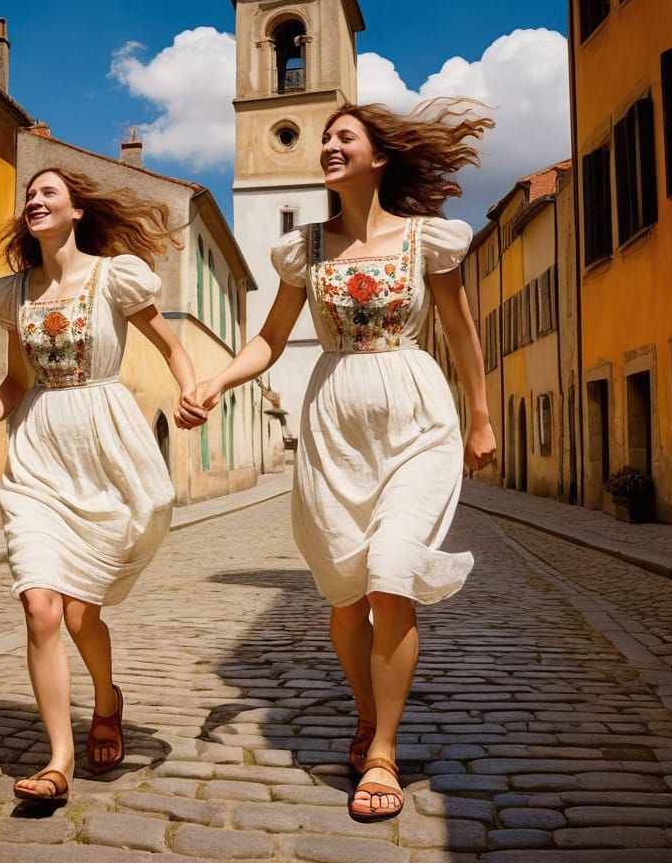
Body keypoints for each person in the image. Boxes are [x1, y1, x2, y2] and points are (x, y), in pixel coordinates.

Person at [190, 99, 496, 822]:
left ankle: (383, 750)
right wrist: (219, 379)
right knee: (346, 598)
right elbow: (268, 339)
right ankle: (367, 708)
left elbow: (459, 331)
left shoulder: (429, 241)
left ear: (378, 157)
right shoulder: (307, 249)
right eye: (324, 138)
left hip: (414, 412)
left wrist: (480, 416)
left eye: (344, 137)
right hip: (333, 422)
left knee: (393, 579)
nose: (329, 147)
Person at [0, 167, 205, 803]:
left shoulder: (113, 276)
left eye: (49, 194)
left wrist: (190, 389)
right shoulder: (13, 293)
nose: (35, 201)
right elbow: (16, 380)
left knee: (80, 612)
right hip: (39, 451)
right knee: (40, 606)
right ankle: (59, 760)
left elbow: (172, 346)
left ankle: (107, 700)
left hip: (103, 449)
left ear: (76, 213)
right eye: (30, 195)